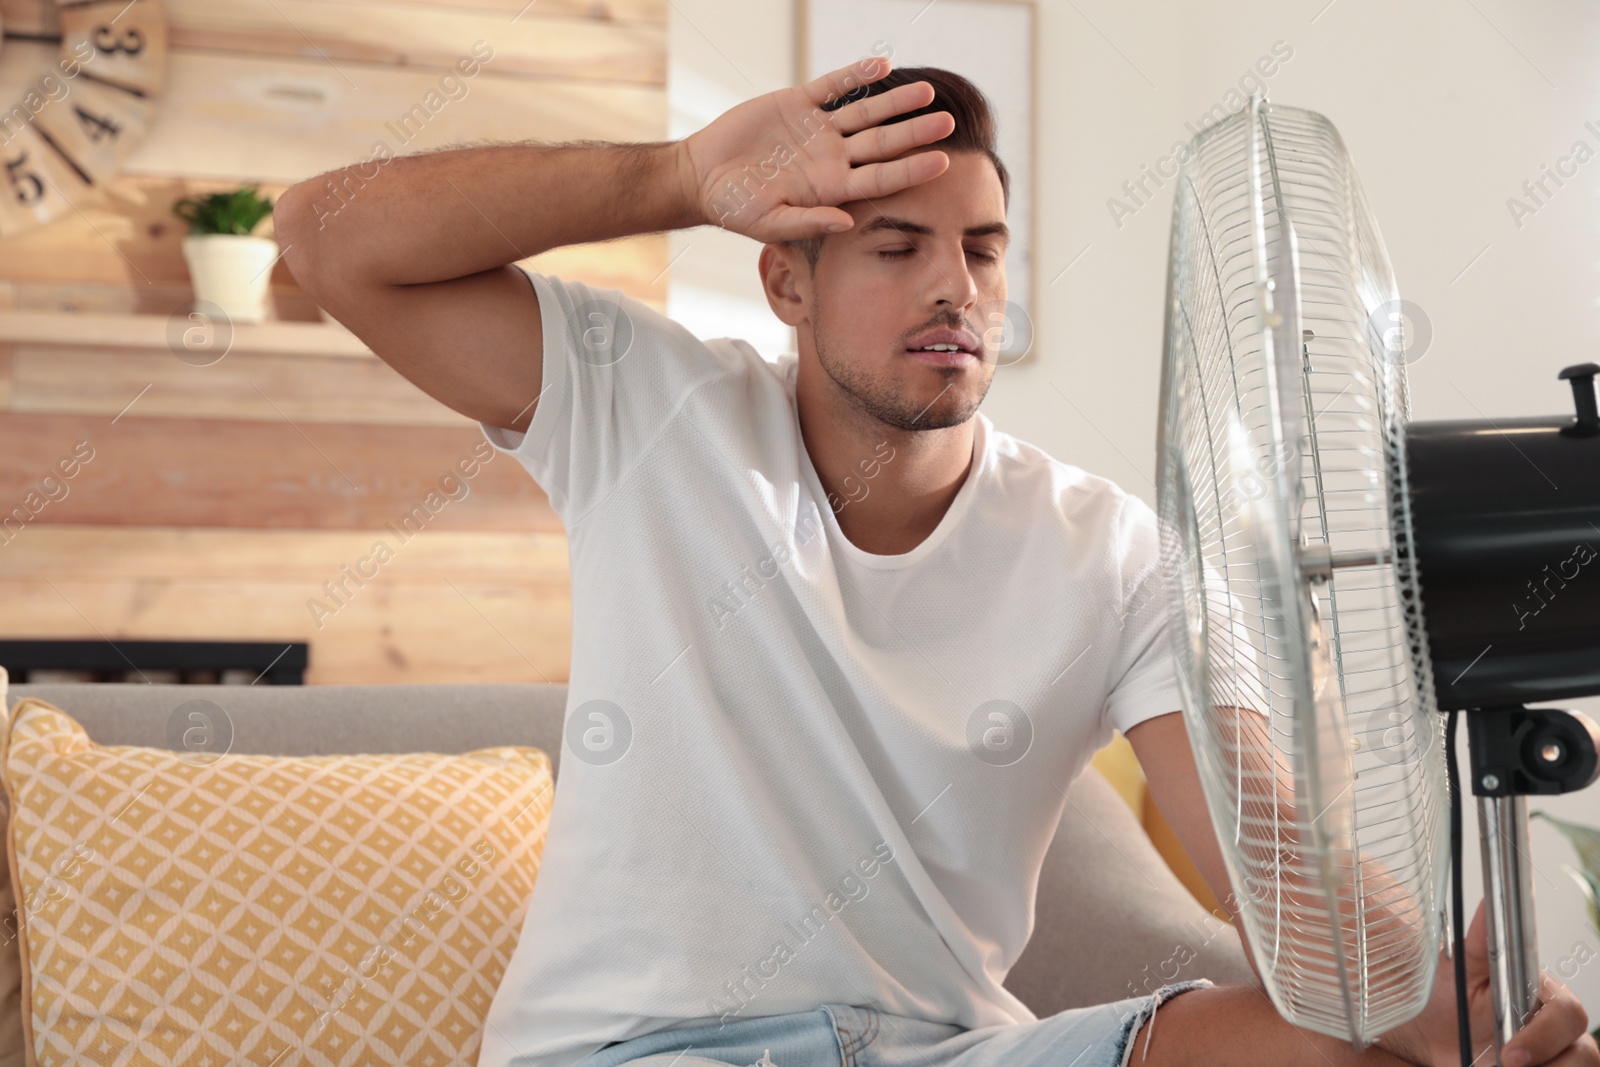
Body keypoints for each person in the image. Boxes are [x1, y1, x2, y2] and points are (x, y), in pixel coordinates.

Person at [273, 55, 1598, 1067]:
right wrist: (676, 176)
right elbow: (328, 240)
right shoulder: (649, 412)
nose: (953, 288)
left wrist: (1446, 1007)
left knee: (1365, 1055)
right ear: (787, 283)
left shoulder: (1114, 553)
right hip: (625, 1050)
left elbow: (1274, 875)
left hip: (947, 1051)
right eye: (896, 248)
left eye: (981, 248)